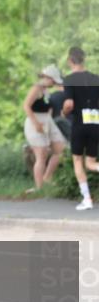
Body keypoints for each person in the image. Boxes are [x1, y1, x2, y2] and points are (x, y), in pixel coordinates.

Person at [61, 47, 99, 211]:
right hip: (95, 123)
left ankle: (87, 199)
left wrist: (63, 113)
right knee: (91, 163)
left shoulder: (69, 79)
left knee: (77, 160)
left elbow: (69, 104)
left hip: (79, 124)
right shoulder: (96, 78)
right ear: (83, 59)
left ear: (70, 60)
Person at [22, 64, 67, 193]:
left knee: (60, 149)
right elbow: (26, 106)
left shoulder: (46, 90)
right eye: (53, 81)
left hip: (47, 120)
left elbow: (48, 106)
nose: (54, 84)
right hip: (35, 120)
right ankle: (39, 187)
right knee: (41, 155)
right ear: (47, 78)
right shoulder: (36, 88)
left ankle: (47, 177)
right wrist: (36, 124)